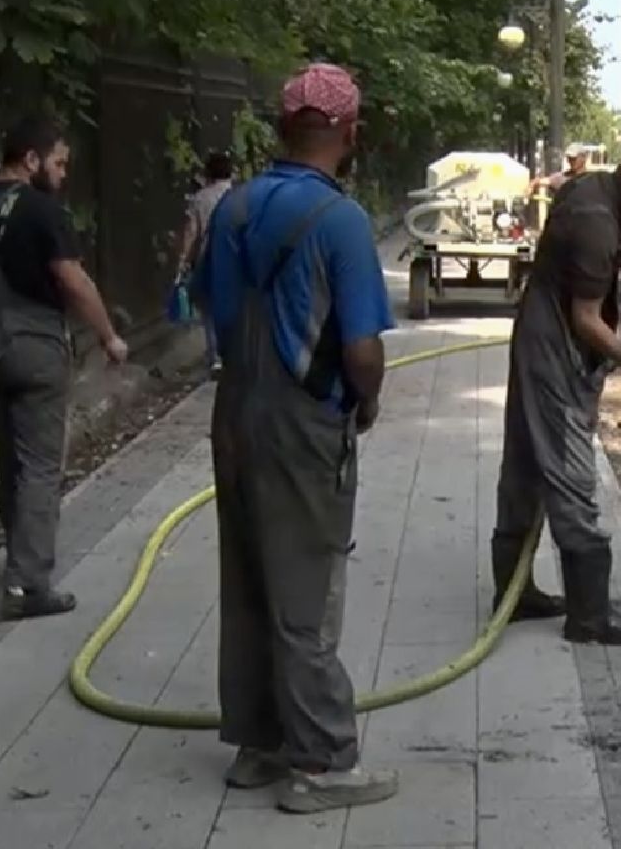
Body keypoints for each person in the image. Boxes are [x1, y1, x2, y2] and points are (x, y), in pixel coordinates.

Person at [189, 63, 398, 813]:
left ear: (281, 128)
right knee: (306, 587)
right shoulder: (338, 220)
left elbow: (209, 309)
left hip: (233, 412)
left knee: (247, 576)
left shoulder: (234, 207)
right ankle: (320, 762)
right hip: (302, 423)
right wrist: (364, 403)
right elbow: (362, 348)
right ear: (350, 132)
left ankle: (258, 743)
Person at [492, 117, 621, 646]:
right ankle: (589, 617)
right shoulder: (596, 221)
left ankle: (514, 595)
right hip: (553, 350)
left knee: (524, 465)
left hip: (542, 339)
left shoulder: (601, 192)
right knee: (570, 474)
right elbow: (586, 318)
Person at [0, 115, 128, 622]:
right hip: (32, 342)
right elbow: (72, 279)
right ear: (31, 159)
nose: (63, 174)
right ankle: (27, 585)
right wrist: (108, 336)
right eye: (59, 163)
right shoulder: (39, 208)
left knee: (9, 458)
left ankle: (15, 559)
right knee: (42, 463)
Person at [175, 151, 236, 373]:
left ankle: (216, 357)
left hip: (207, 260)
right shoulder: (242, 195)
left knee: (209, 310)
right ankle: (234, 352)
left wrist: (183, 261)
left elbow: (192, 232)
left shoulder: (200, 199)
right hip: (236, 260)